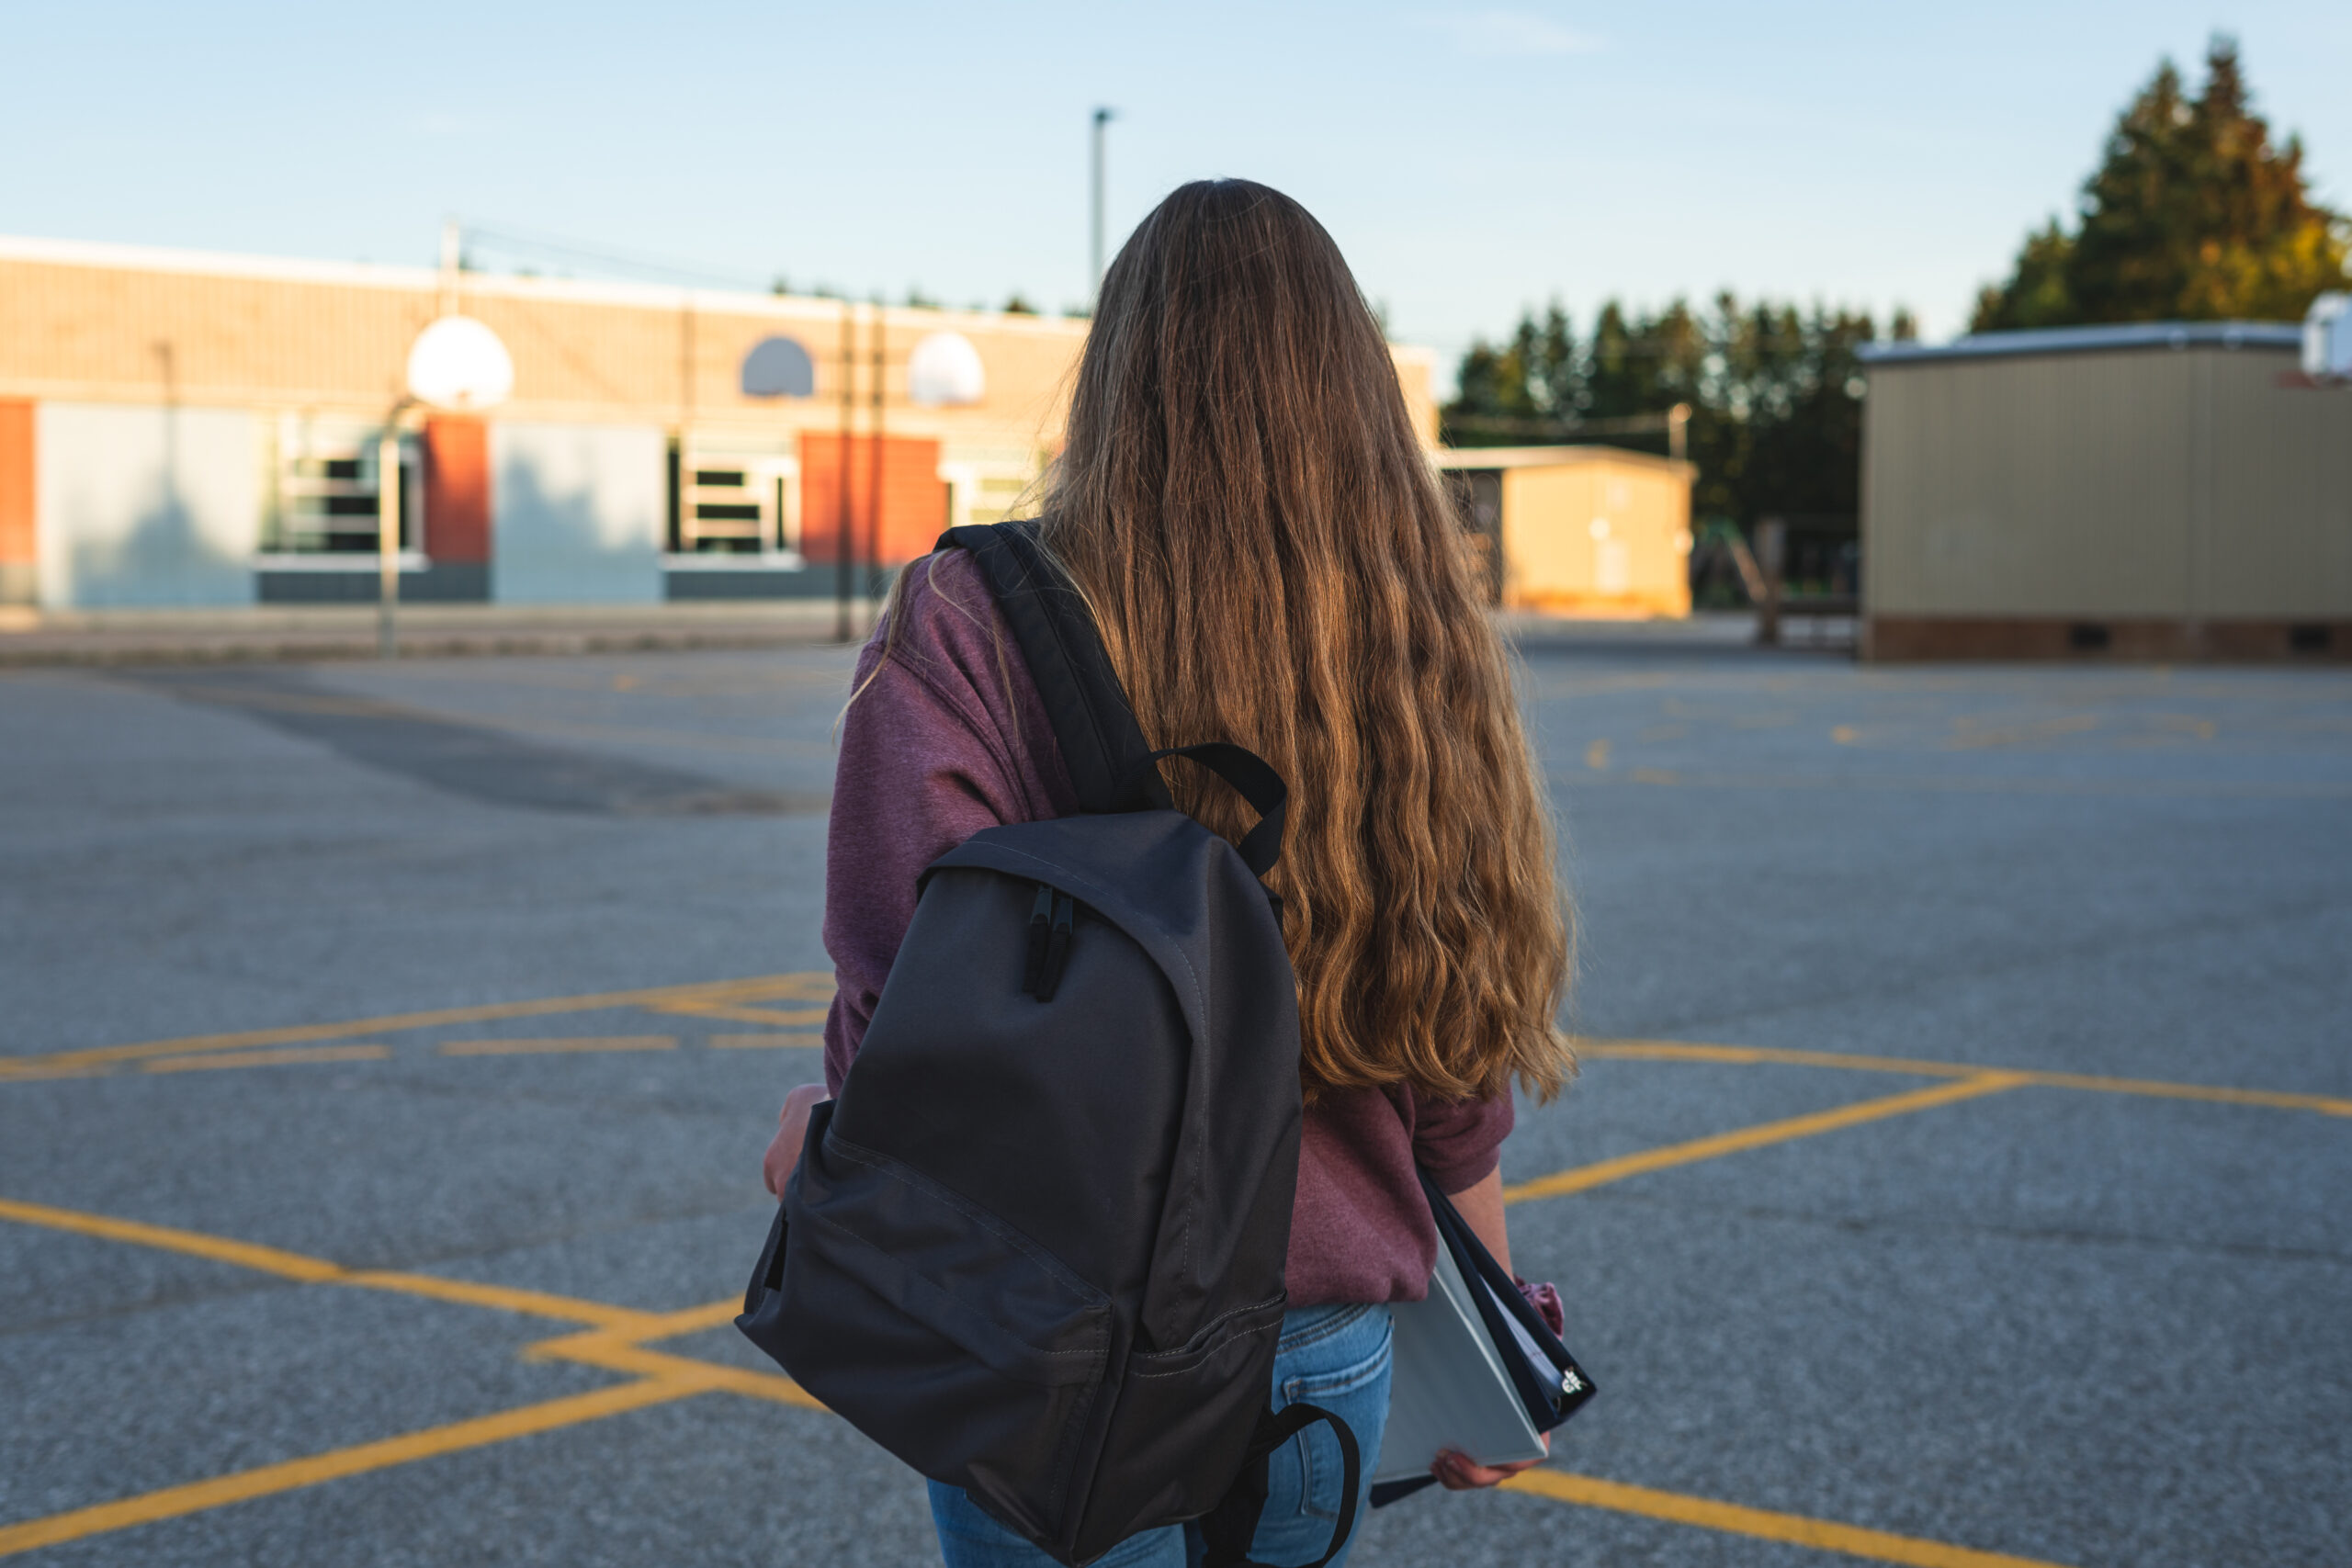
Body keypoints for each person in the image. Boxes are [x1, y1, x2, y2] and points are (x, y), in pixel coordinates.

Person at [763, 177, 1577, 1568]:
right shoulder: (1408, 629)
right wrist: (1495, 1334)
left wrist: (819, 1150)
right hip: (1327, 1350)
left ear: (1120, 370)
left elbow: (902, 988)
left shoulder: (968, 620)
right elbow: (1456, 1036)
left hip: (1051, 1335)